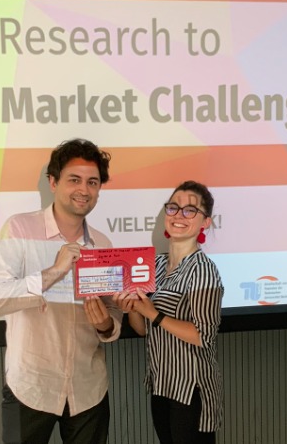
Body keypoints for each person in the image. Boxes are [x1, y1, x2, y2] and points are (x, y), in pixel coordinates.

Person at [0, 138, 122, 444]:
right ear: (53, 182)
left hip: (88, 389)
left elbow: (112, 310)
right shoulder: (19, 229)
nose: (83, 189)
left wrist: (106, 325)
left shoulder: (102, 244)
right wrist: (55, 272)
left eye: (92, 182)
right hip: (31, 388)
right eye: (74, 179)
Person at [114, 180, 224, 444]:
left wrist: (154, 314)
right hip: (162, 385)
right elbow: (143, 330)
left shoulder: (203, 270)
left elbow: (203, 336)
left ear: (205, 222)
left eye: (190, 210)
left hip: (191, 390)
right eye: (173, 207)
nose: (178, 215)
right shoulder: (156, 265)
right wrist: (131, 309)